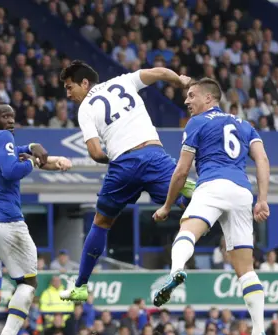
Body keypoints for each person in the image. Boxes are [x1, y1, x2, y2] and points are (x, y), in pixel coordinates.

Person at [152, 77, 271, 335]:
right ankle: (259, 331)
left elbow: (181, 171)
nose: (186, 101)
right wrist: (263, 199)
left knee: (187, 231)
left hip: (212, 185)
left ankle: (177, 269)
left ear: (209, 99)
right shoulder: (245, 125)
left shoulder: (197, 123)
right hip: (242, 192)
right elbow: (263, 160)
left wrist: (168, 205)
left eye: (191, 95)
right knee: (246, 269)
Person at [57, 60, 195, 302]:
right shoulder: (123, 80)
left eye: (70, 87)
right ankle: (218, 210)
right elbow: (159, 72)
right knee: (188, 203)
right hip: (154, 156)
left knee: (101, 222)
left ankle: (80, 286)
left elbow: (95, 152)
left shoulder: (86, 108)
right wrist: (180, 81)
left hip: (123, 164)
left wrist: (116, 158)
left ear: (85, 83)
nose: (68, 94)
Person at [0, 102, 71, 335]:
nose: (10, 121)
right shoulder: (3, 136)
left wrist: (28, 147)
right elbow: (10, 170)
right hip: (7, 220)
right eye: (5, 116)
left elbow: (10, 153)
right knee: (28, 282)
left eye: (12, 116)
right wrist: (29, 163)